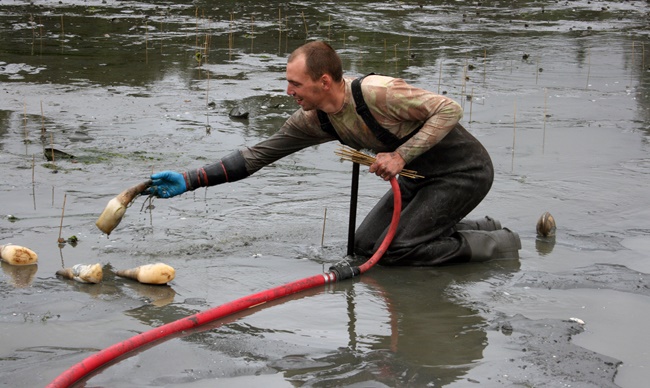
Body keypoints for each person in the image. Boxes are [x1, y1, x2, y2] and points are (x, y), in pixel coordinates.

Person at [145, 41, 521, 266]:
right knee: (362, 248)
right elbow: (257, 156)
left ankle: (501, 242)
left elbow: (449, 109)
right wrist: (190, 180)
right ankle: (472, 225)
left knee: (399, 251)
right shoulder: (312, 119)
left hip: (463, 172)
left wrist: (401, 156)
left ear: (324, 81)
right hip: (416, 182)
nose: (289, 91)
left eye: (296, 84)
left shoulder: (378, 93)